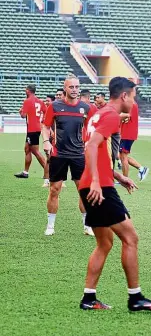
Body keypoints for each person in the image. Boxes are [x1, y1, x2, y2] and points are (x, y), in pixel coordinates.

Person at [79, 76, 151, 311]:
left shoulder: (99, 114)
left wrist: (118, 176)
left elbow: (98, 150)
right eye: (134, 95)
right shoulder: (110, 116)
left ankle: (88, 299)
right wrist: (99, 181)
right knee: (130, 238)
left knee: (104, 243)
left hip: (92, 184)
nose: (135, 100)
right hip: (100, 188)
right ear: (125, 95)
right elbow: (89, 147)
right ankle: (135, 298)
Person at [42, 75, 94, 236]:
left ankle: (87, 226)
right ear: (65, 88)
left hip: (78, 154)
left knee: (83, 191)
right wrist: (46, 141)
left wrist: (89, 143)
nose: (75, 90)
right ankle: (50, 226)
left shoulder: (86, 108)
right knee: (54, 190)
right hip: (59, 154)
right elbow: (45, 126)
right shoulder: (55, 106)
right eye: (71, 87)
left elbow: (90, 128)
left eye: (77, 87)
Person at [14, 85, 47, 179]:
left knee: (35, 151)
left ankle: (48, 172)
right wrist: (41, 120)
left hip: (32, 129)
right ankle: (25, 172)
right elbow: (46, 111)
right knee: (27, 149)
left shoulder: (27, 101)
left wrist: (20, 111)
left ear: (28, 91)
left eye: (26, 90)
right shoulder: (40, 101)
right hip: (36, 128)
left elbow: (23, 116)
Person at [119, 100, 149, 181]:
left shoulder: (130, 103)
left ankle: (125, 179)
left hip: (127, 134)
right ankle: (142, 168)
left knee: (123, 156)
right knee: (120, 156)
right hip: (126, 133)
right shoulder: (130, 103)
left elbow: (126, 115)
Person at [42, 95, 55, 187]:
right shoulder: (48, 110)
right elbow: (45, 125)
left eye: (48, 101)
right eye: (45, 101)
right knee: (49, 159)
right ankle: (46, 180)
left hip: (59, 138)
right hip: (51, 137)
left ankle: (61, 181)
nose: (46, 102)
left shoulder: (58, 108)